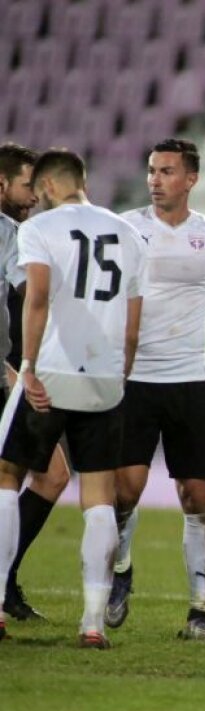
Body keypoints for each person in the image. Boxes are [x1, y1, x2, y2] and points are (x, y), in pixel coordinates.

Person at [105, 138, 205, 642]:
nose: (154, 179)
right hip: (133, 382)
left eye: (166, 171)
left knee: (197, 496)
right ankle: (121, 567)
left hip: (188, 382)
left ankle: (199, 613)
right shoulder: (126, 229)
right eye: (151, 170)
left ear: (191, 179)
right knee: (124, 490)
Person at [0, 149, 144, 647]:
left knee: (6, 476)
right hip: (105, 379)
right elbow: (132, 322)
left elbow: (36, 299)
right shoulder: (128, 233)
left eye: (39, 193)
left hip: (52, 373)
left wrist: (31, 368)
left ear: (50, 188)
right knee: (98, 498)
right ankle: (92, 623)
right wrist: (120, 375)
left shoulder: (37, 230)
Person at [0, 142, 72, 622]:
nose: (34, 196)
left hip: (6, 367)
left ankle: (5, 581)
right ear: (2, 184)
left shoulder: (14, 232)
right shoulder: (11, 233)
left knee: (51, 473)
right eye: (28, 185)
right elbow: (30, 289)